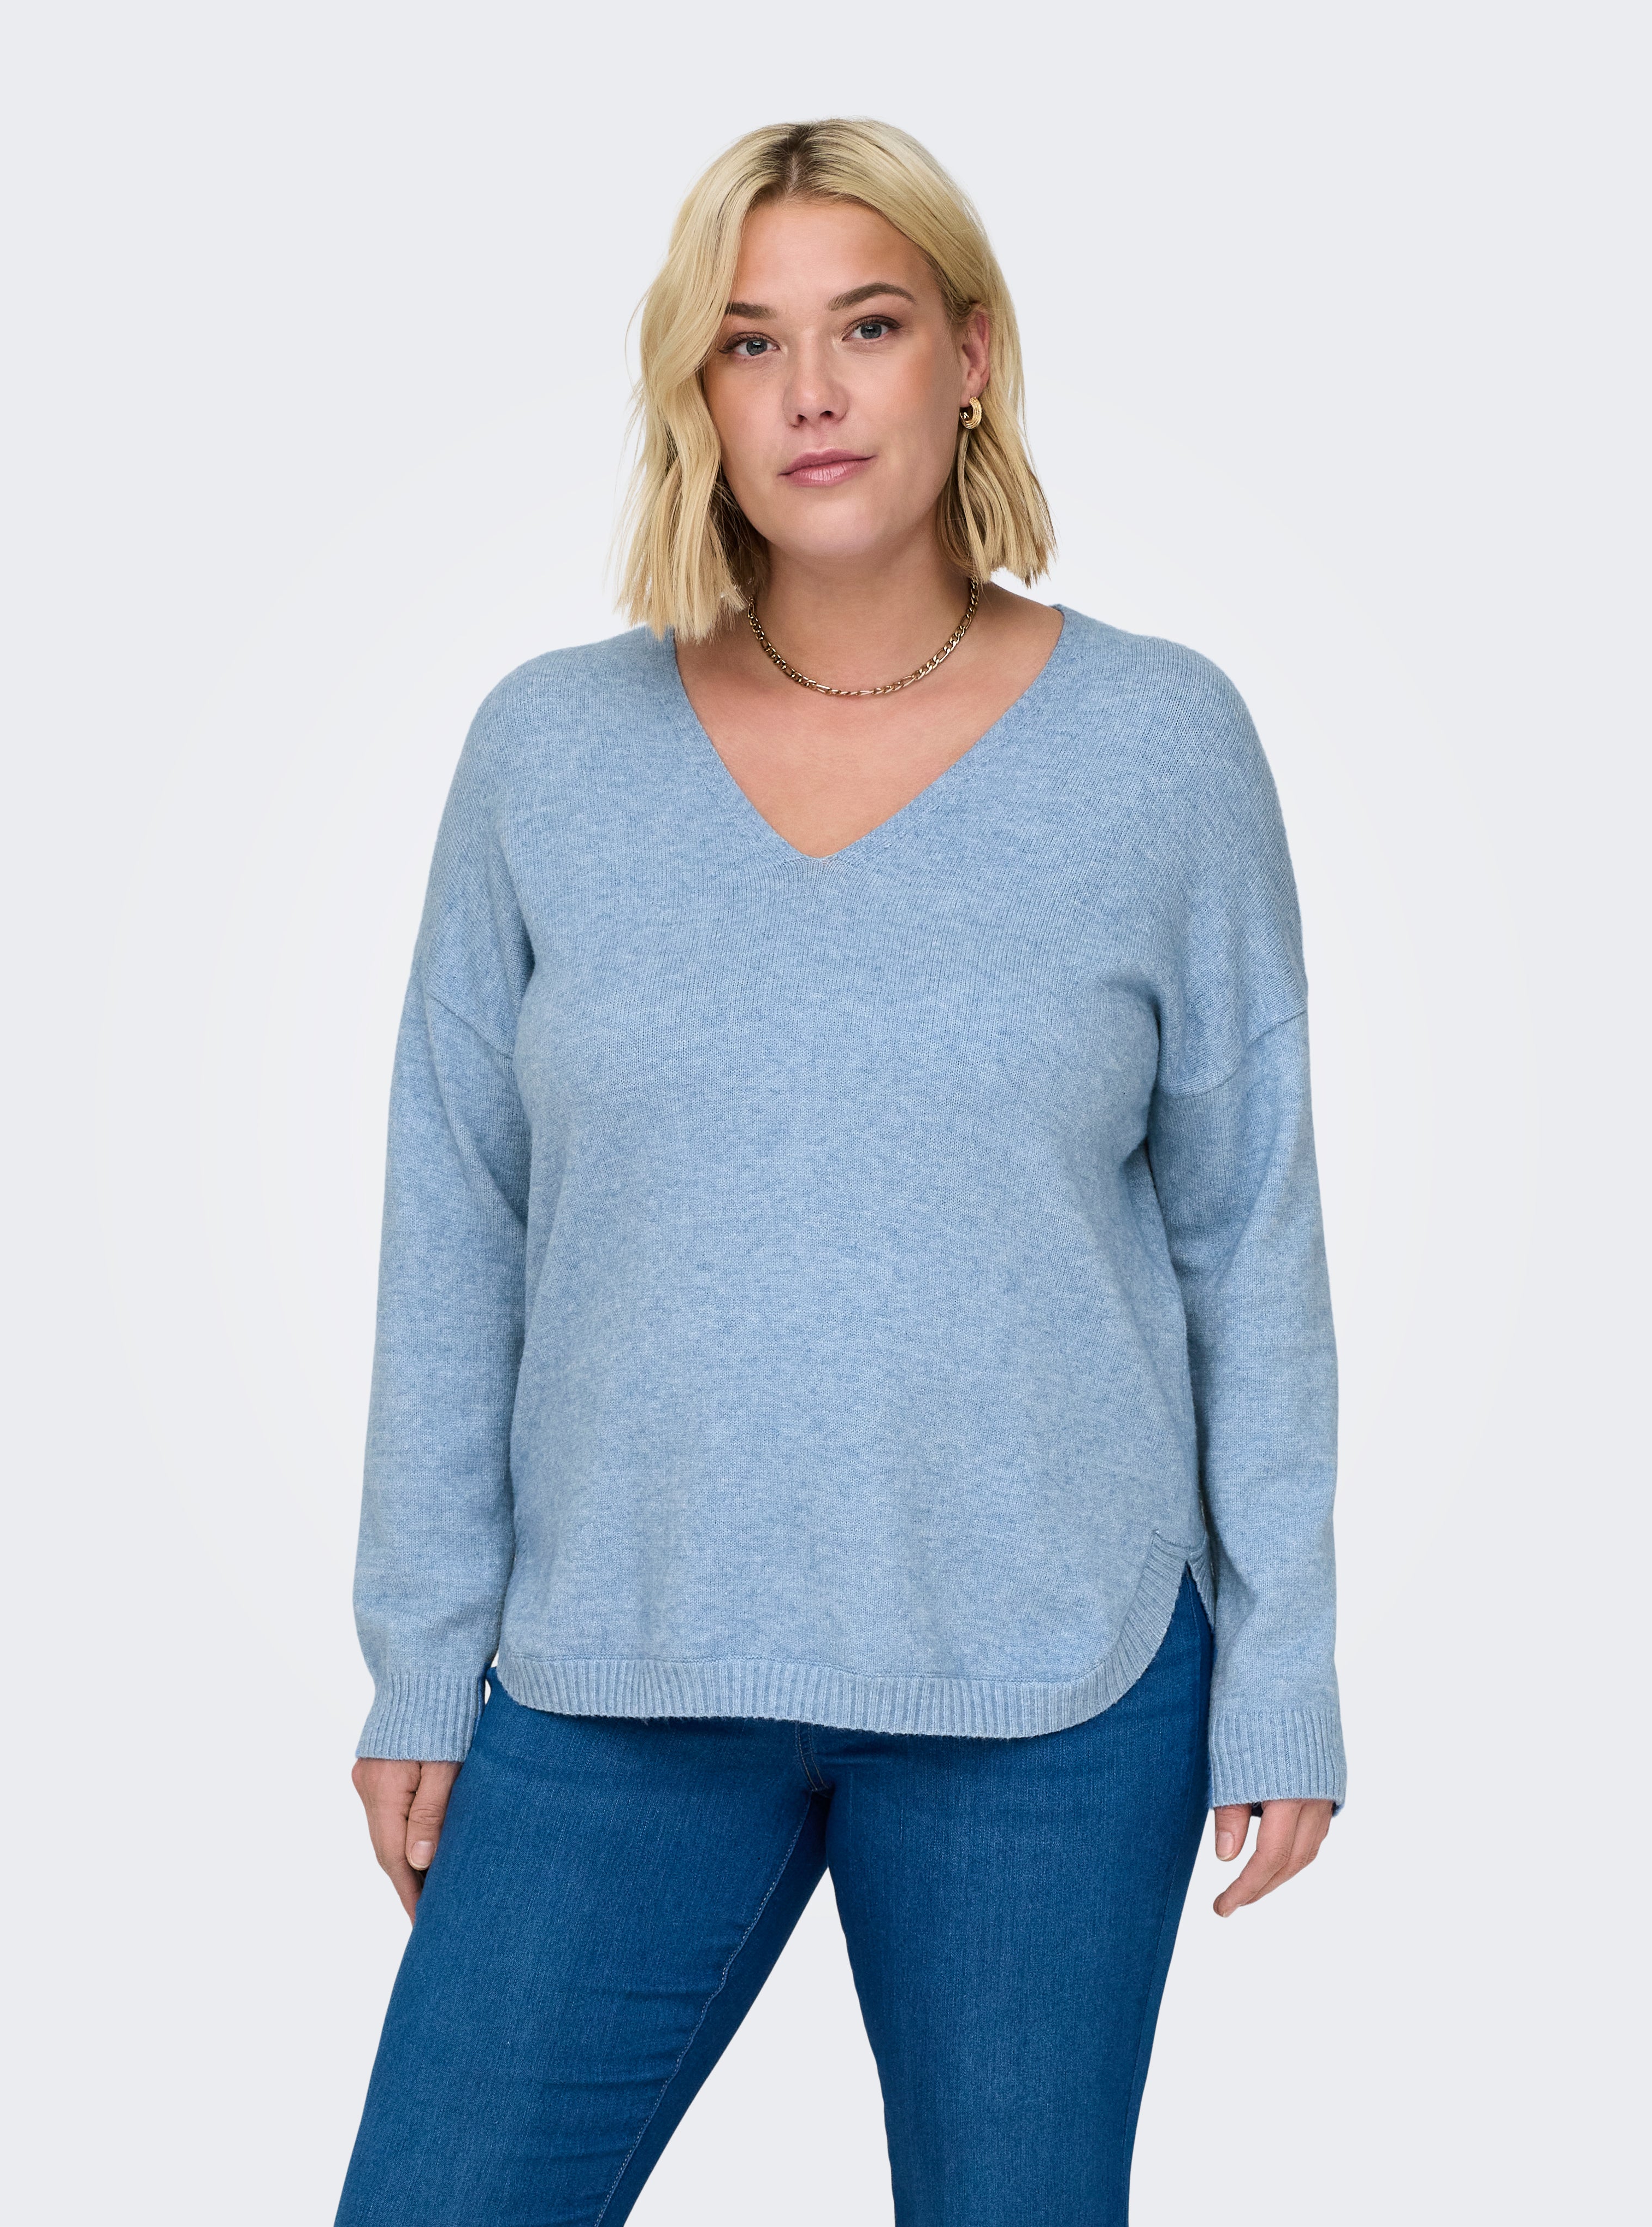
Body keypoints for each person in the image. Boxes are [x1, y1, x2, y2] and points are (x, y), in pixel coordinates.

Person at [334, 116, 1346, 2227]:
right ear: (692, 394)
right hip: (614, 1672)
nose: (809, 390)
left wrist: (1281, 1670)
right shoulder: (548, 753)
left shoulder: (1158, 745)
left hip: (1049, 1684)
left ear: (968, 357)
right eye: (748, 341)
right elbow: (457, 1221)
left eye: (866, 326)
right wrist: (423, 1653)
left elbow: (1247, 1230)